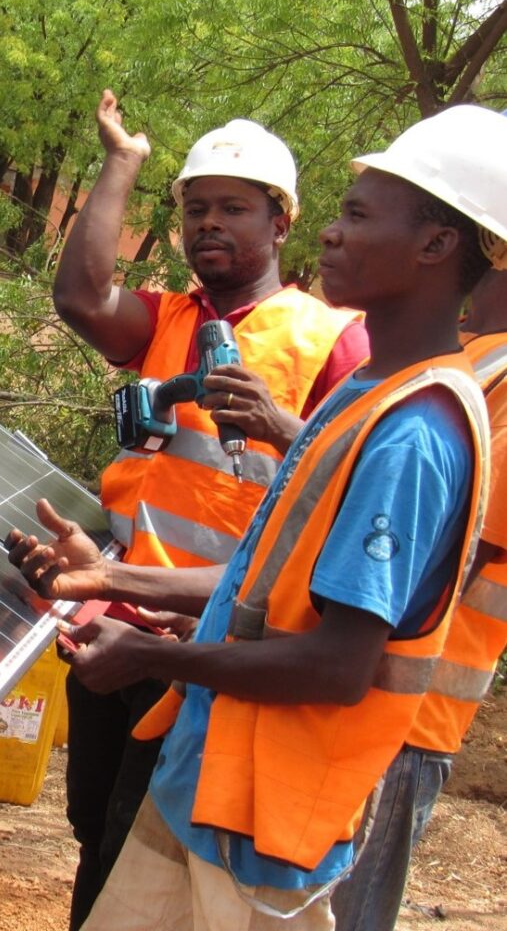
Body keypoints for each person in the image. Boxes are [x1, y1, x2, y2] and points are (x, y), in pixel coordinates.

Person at [7, 104, 507, 931]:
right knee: (100, 853)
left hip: (277, 795)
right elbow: (271, 583)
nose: (334, 236)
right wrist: (112, 577)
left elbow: (338, 662)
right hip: (216, 750)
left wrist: (157, 651)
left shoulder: (408, 424)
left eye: (355, 214)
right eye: (193, 206)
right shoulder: (368, 393)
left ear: (435, 245)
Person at [50, 89, 369, 929]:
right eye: (195, 209)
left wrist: (280, 424)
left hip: (210, 648)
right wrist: (122, 165)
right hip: (112, 619)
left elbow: (355, 482)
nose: (208, 226)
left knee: (157, 856)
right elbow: (83, 300)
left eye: (233, 208)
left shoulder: (326, 337)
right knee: (97, 833)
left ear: (280, 224)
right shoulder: (168, 319)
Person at [332, 266, 507, 931]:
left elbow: (451, 557)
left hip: (404, 712)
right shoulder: (462, 352)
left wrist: (324, 653)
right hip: (350, 688)